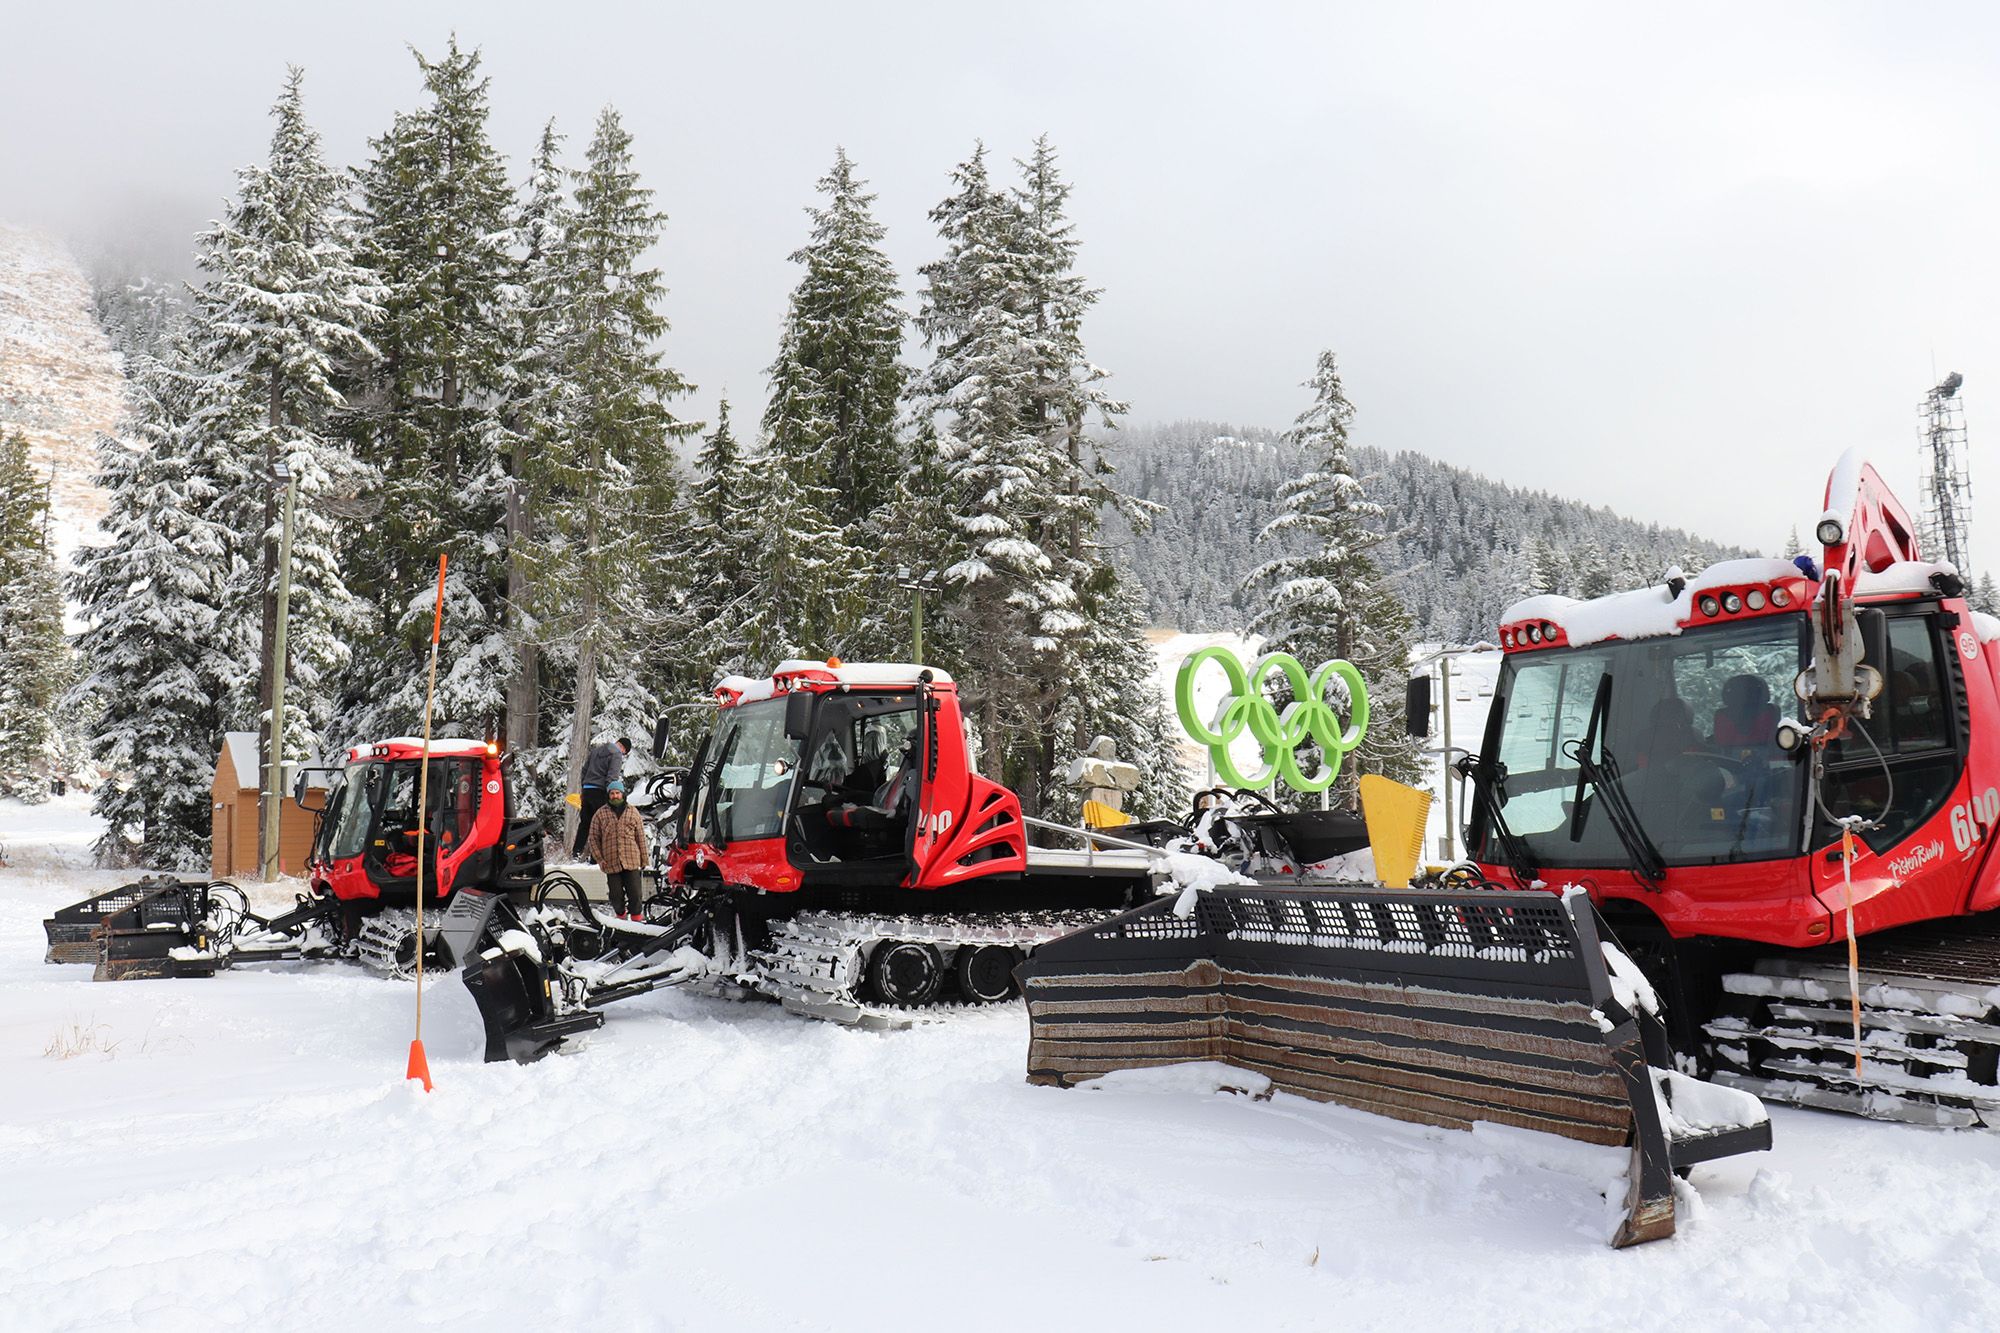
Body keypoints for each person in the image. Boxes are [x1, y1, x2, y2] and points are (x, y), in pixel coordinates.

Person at [585, 779, 648, 920]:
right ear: (608, 795)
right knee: (615, 894)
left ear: (623, 794)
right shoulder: (600, 814)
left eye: (617, 793)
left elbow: (640, 837)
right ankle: (621, 917)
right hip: (611, 862)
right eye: (612, 793)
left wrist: (644, 859)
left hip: (631, 859)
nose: (615, 796)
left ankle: (637, 919)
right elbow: (593, 838)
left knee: (635, 893)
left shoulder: (633, 812)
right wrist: (599, 859)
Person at [574, 737, 632, 857]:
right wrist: (612, 795)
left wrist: (583, 788)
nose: (622, 755)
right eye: (624, 753)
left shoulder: (596, 750)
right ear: (623, 748)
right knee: (602, 824)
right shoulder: (616, 754)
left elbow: (584, 770)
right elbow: (612, 776)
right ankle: (595, 858)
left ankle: (576, 853)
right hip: (600, 791)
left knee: (585, 824)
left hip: (587, 790)